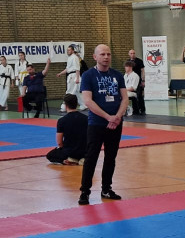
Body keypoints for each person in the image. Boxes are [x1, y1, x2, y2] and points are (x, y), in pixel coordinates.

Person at [79, 44, 128, 206]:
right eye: (102, 54)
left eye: (108, 54)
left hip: (116, 123)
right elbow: (88, 101)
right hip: (97, 123)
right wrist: (108, 117)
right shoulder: (88, 75)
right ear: (95, 57)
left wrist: (117, 117)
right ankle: (85, 191)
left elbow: (124, 98)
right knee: (91, 157)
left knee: (110, 157)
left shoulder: (117, 75)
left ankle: (106, 188)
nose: (106, 57)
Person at [46, 94, 88, 165]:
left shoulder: (62, 121)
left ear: (66, 105)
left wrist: (63, 150)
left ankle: (67, 160)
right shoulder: (86, 118)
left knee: (50, 155)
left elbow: (59, 143)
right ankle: (82, 159)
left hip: (70, 152)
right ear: (76, 104)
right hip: (84, 151)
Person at [56, 44, 81, 112]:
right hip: (70, 75)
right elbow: (67, 69)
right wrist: (60, 73)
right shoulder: (69, 58)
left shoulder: (75, 57)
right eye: (67, 50)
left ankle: (64, 107)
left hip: (74, 76)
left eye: (69, 50)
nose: (68, 51)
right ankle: (84, 105)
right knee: (76, 92)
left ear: (72, 51)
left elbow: (77, 68)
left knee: (69, 92)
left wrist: (77, 78)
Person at [127, 49, 146, 114]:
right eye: (131, 53)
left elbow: (142, 71)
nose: (132, 54)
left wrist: (143, 80)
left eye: (133, 53)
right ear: (129, 54)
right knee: (133, 96)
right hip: (131, 81)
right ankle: (135, 110)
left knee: (139, 95)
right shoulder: (128, 62)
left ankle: (142, 110)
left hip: (138, 81)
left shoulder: (139, 61)